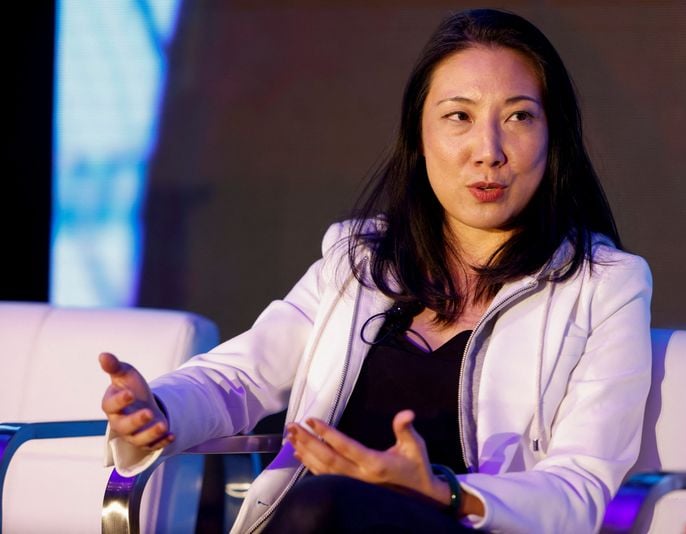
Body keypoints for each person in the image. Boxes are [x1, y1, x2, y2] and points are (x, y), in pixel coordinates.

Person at [100, 8, 653, 533]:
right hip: (311, 521)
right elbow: (240, 377)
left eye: (519, 117)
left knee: (325, 505)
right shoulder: (358, 260)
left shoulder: (605, 286)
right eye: (459, 116)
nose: (488, 150)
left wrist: (439, 490)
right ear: (420, 137)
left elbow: (579, 489)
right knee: (320, 507)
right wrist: (157, 408)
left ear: (554, 137)